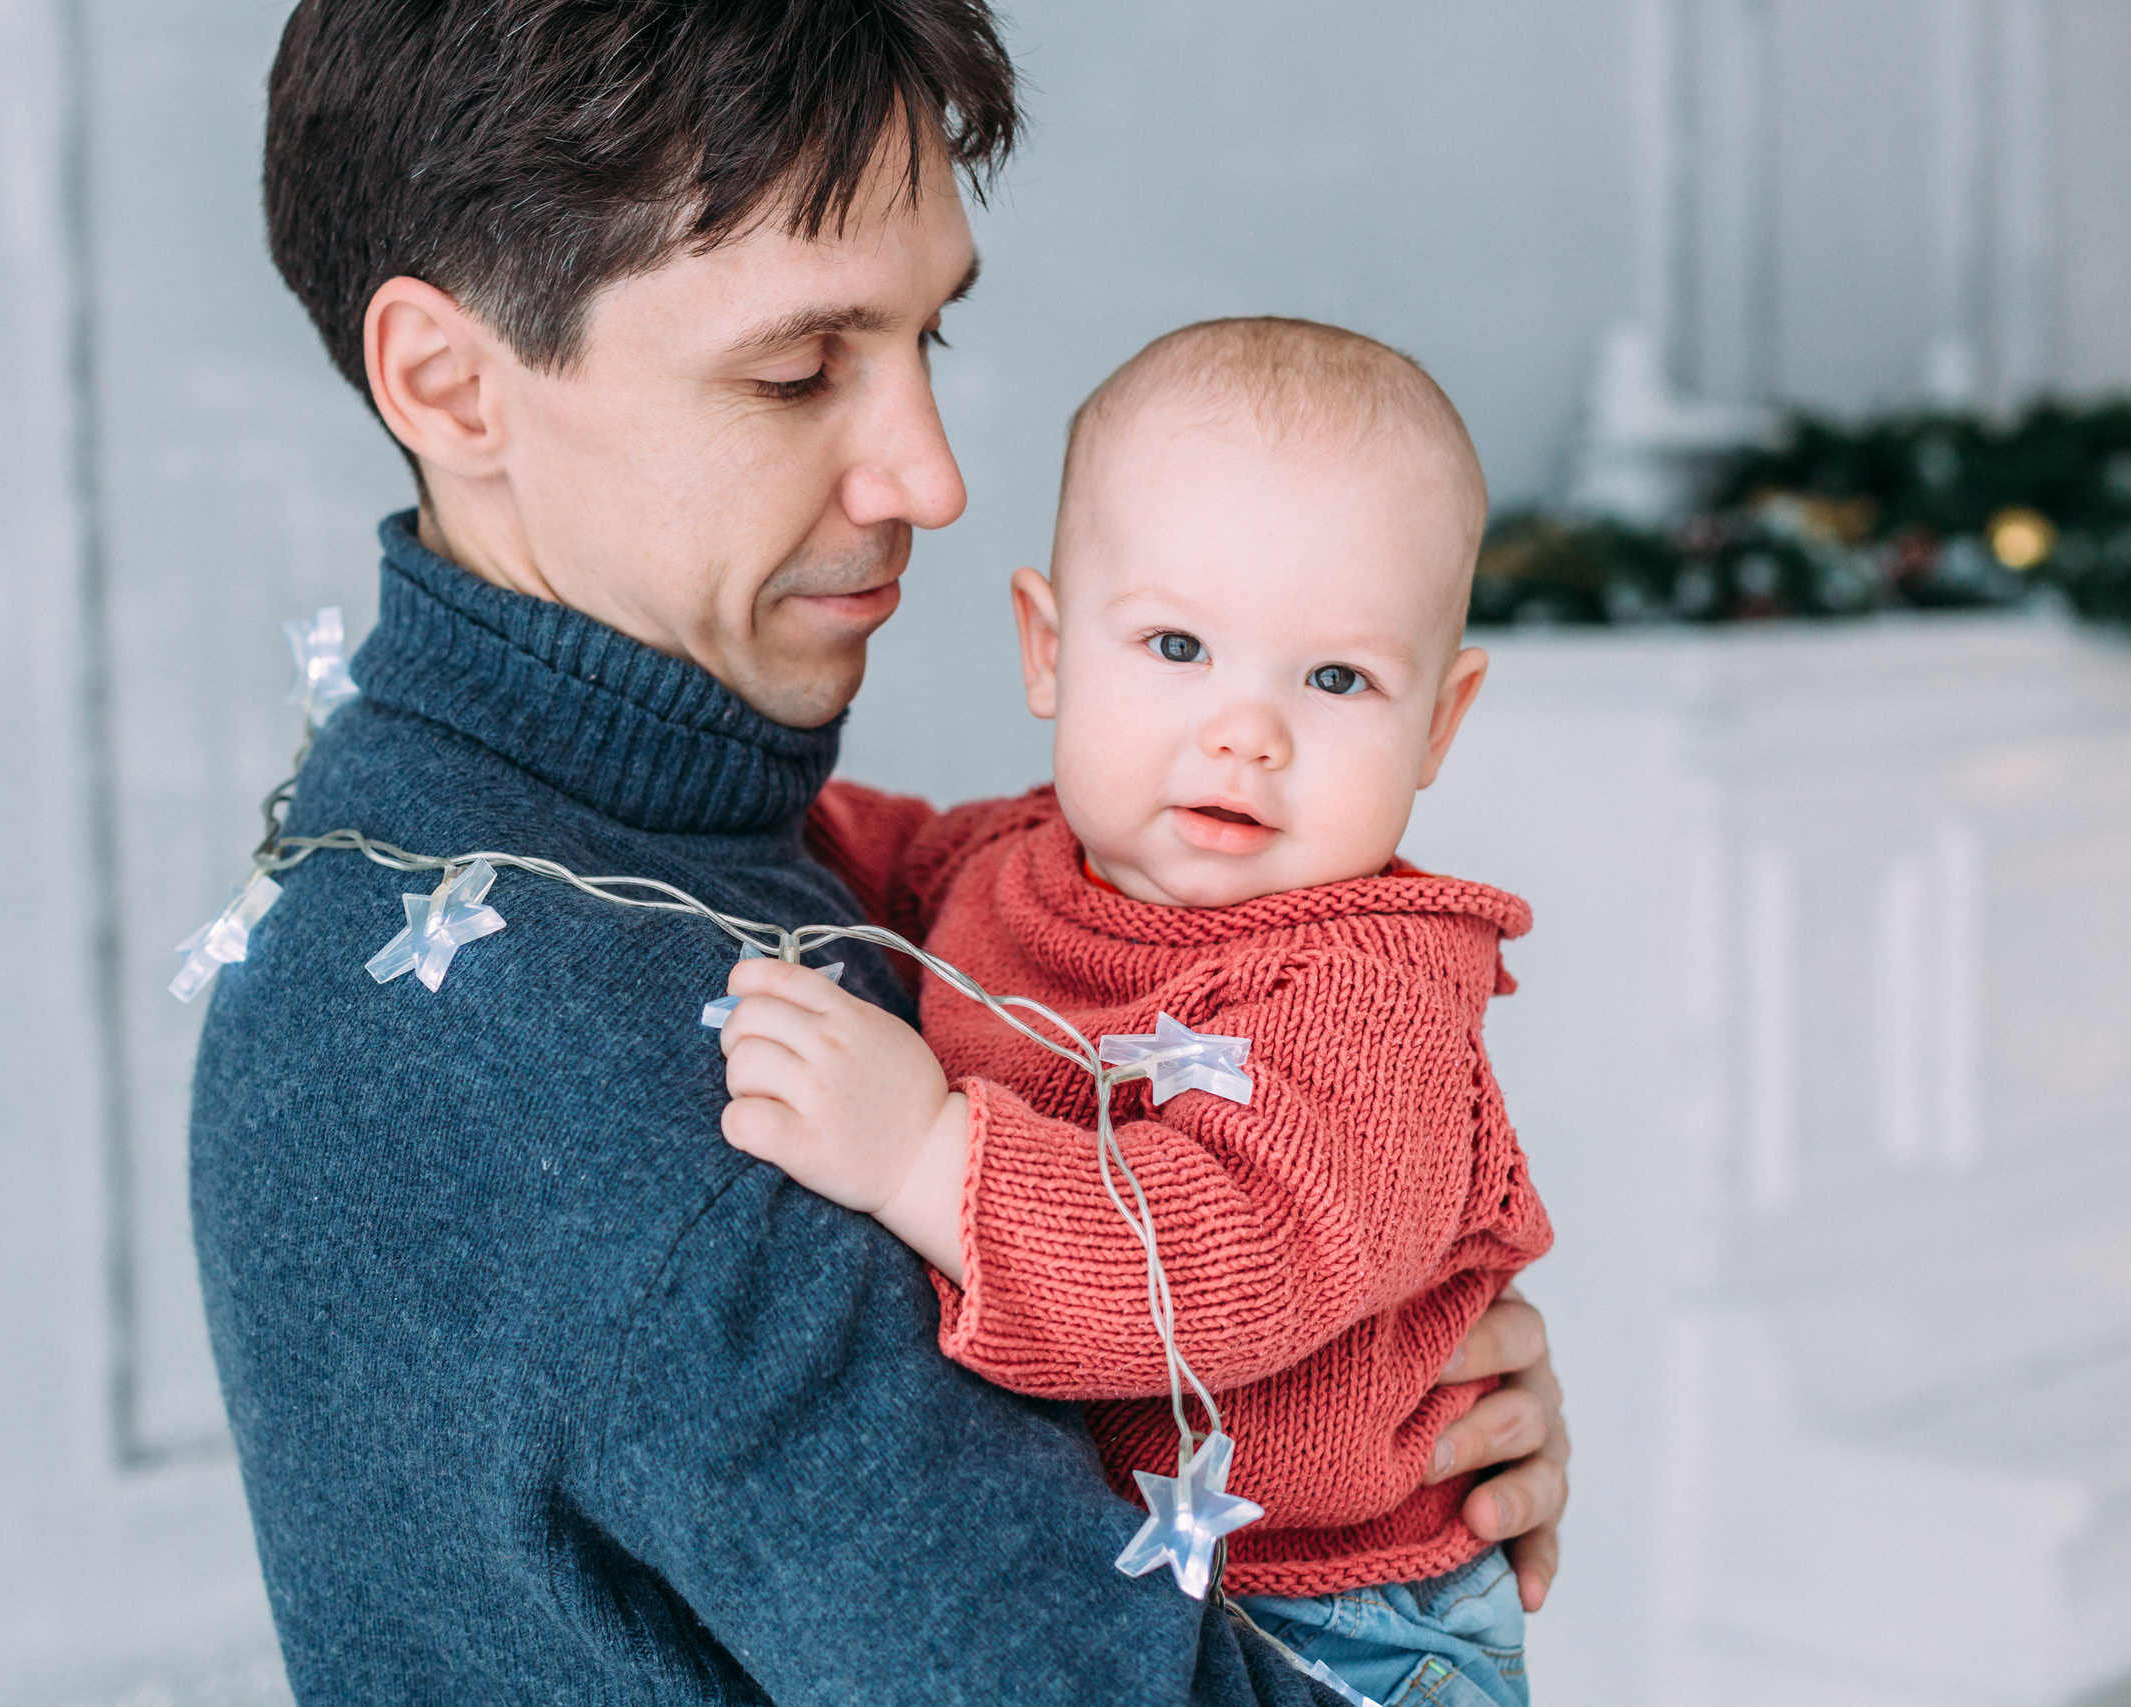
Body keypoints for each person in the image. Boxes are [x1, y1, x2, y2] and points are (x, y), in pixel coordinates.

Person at [190, 4, 1569, 1702]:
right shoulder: (607, 1044)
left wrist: (1350, 1405)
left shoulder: (544, 838)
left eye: (932, 340)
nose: (930, 473)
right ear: (454, 384)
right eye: (796, 369)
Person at [713, 318, 1547, 1707]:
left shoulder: (1372, 997)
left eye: (1335, 679)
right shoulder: (1010, 864)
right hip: (1142, 1585)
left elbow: (1232, 1254)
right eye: (1176, 644)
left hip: (1346, 1633)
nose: (1246, 731)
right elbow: (845, 850)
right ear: (1048, 651)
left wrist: (929, 1159)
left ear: (1439, 729)